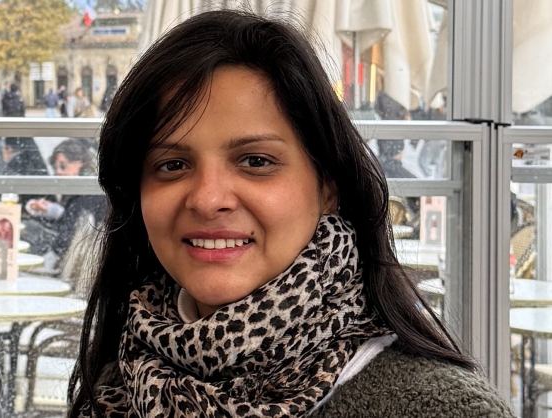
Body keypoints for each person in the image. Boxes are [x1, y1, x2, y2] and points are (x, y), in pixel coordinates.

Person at [67, 10, 514, 418]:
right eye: (172, 165)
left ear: (328, 187)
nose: (207, 198)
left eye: (255, 161)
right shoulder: (114, 382)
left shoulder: (447, 409)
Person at [23, 138, 105, 269]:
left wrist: (57, 212)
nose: (59, 172)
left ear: (79, 163)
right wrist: (44, 209)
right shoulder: (71, 186)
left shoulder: (88, 192)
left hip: (65, 253)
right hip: (61, 244)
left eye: (62, 166)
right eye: (55, 167)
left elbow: (71, 228)